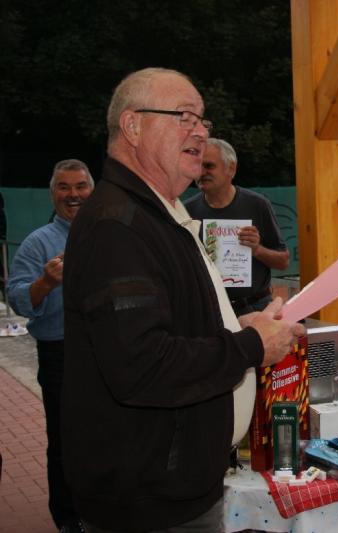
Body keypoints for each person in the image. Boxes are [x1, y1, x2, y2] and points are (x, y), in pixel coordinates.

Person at [61, 67, 305, 533]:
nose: (200, 131)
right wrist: (250, 346)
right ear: (133, 126)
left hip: (172, 488)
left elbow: (172, 325)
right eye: (184, 117)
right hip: (148, 502)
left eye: (203, 120)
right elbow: (142, 365)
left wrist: (240, 326)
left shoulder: (159, 213)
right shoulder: (118, 226)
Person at [7, 159, 94, 533]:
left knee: (110, 434)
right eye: (64, 187)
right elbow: (18, 299)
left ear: (92, 191)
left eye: (80, 186)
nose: (73, 195)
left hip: (108, 352)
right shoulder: (38, 243)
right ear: (52, 193)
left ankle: (104, 509)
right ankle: (68, 518)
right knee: (64, 440)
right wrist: (45, 282)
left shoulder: (109, 236)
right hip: (61, 354)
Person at [185, 138, 289, 316]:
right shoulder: (187, 210)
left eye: (209, 166)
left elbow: (283, 262)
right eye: (198, 165)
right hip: (209, 310)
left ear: (231, 168)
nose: (201, 172)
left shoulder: (257, 205)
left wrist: (257, 249)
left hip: (255, 307)